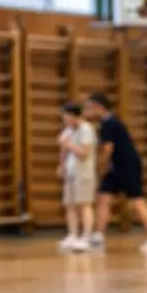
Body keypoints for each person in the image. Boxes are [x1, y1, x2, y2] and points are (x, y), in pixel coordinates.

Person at [83, 92, 147, 252]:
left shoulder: (109, 124)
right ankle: (98, 236)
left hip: (127, 166)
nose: (87, 112)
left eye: (89, 108)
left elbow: (107, 149)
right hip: (115, 168)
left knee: (136, 200)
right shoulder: (107, 123)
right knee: (103, 197)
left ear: (98, 107)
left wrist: (100, 169)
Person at [56, 102, 97, 252]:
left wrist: (68, 144)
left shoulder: (86, 129)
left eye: (66, 116)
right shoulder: (68, 130)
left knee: (84, 204)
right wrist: (61, 165)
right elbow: (63, 150)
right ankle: (72, 235)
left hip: (84, 173)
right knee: (70, 204)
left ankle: (86, 236)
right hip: (71, 171)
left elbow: (84, 153)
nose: (64, 119)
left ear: (74, 116)